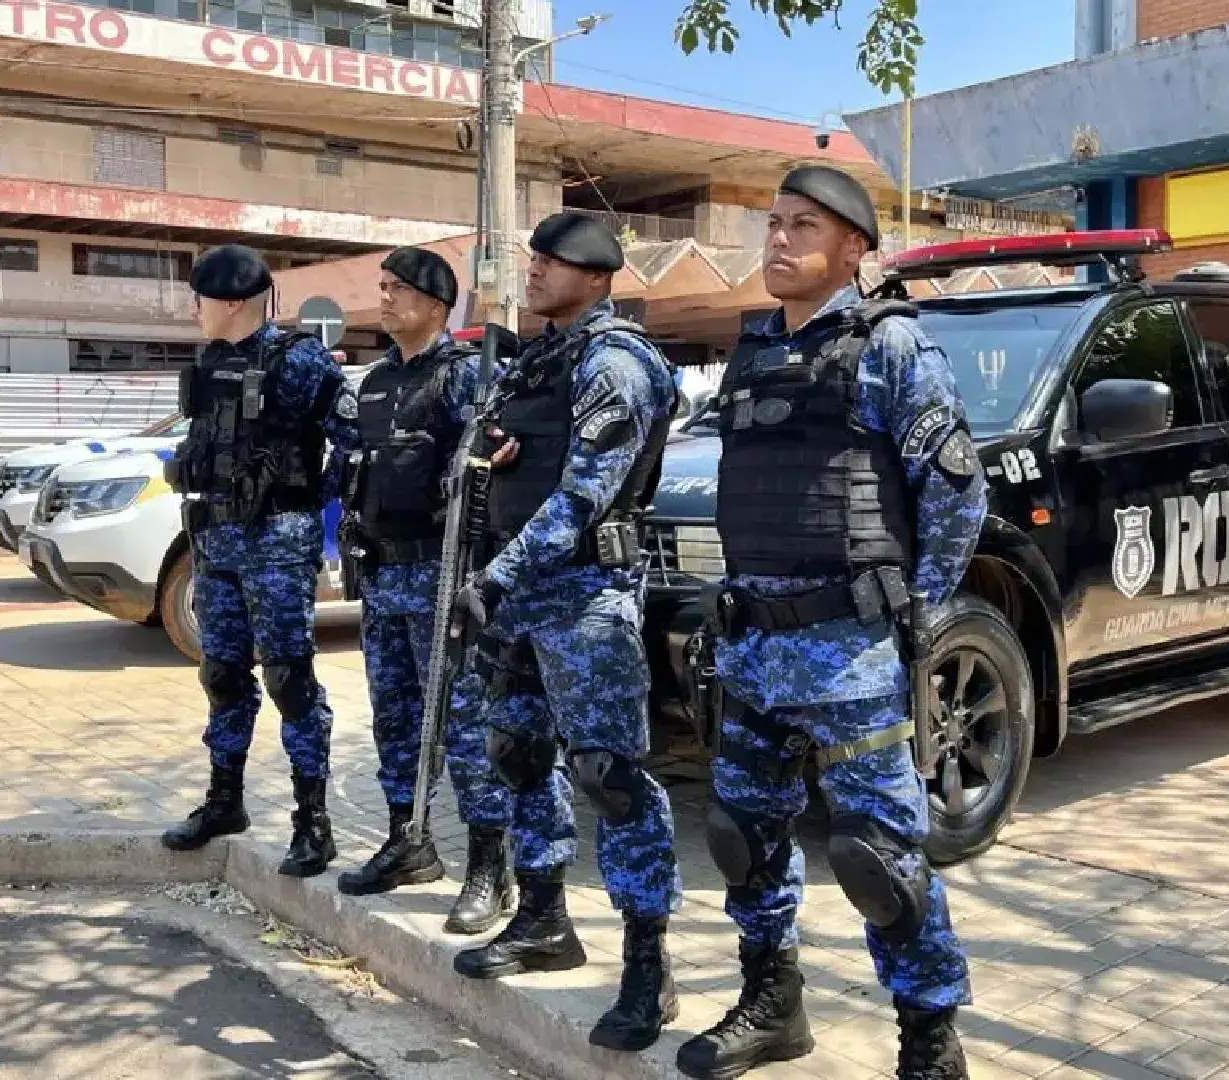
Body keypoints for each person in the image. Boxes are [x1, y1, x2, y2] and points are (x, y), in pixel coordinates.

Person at [676, 166, 985, 1080]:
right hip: (753, 647)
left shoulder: (892, 347)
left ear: (855, 248)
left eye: (803, 226)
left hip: (849, 653)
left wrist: (913, 612)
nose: (778, 240)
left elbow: (957, 494)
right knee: (741, 839)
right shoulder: (751, 352)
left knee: (876, 859)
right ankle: (772, 1005)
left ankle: (930, 1043)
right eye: (772, 224)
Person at [448, 213, 682, 1054]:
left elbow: (584, 496)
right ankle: (545, 917)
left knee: (610, 777)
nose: (536, 268)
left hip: (584, 598)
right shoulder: (537, 360)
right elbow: (491, 460)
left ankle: (648, 967)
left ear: (598, 275)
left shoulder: (615, 362)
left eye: (554, 259)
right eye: (535, 256)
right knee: (518, 753)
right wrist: (491, 460)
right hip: (518, 598)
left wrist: (494, 579)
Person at [159, 243, 360, 881]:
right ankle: (225, 801)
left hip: (276, 544)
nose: (194, 309)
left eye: (200, 298)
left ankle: (313, 824)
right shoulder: (211, 360)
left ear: (231, 301)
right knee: (222, 675)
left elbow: (354, 441)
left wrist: (311, 499)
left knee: (288, 680)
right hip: (216, 541)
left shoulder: (298, 360)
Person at [333, 246, 519, 935]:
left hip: (444, 578)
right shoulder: (377, 381)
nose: (383, 298)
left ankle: (489, 867)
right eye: (380, 286)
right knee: (395, 721)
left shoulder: (466, 377)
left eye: (397, 289)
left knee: (464, 727)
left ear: (436, 305)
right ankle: (408, 842)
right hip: (384, 579)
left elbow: (494, 467)